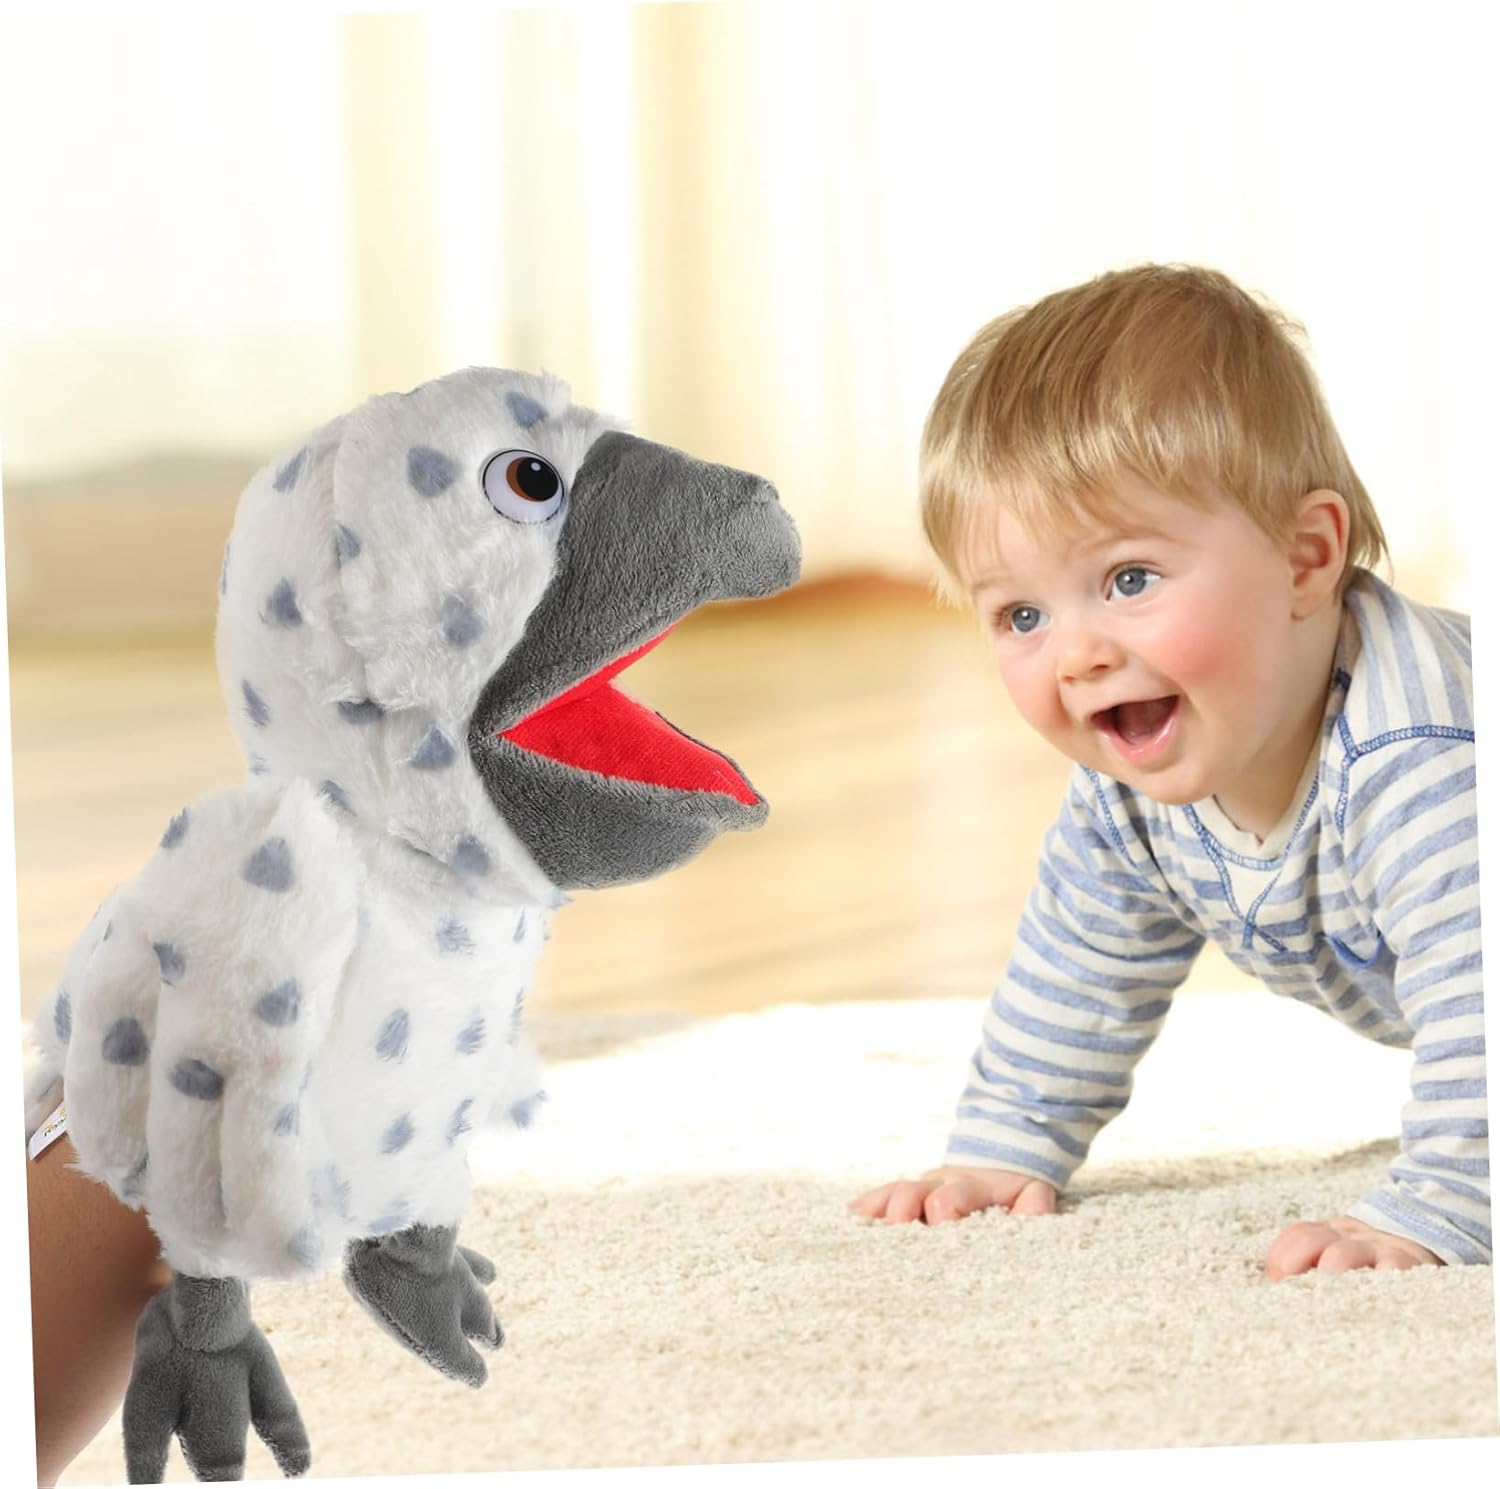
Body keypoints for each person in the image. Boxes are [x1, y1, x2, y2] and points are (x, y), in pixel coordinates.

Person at [851, 264, 1486, 1276]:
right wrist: (1004, 1142)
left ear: (1304, 557)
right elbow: (1079, 961)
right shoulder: (1128, 797)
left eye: (1129, 578)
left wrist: (1447, 1202)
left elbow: (1480, 991)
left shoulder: (1423, 761)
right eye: (1021, 613)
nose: (1076, 654)